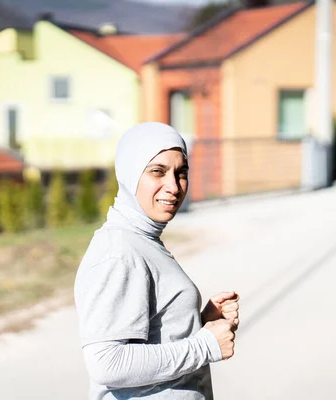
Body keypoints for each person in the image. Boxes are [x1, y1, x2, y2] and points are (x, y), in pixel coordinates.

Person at [74, 122, 240, 399]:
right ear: (130, 174)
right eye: (157, 172)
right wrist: (205, 347)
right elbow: (107, 364)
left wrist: (198, 322)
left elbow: (154, 336)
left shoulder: (142, 241)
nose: (173, 186)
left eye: (181, 173)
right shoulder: (119, 250)